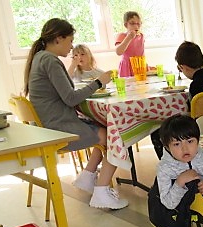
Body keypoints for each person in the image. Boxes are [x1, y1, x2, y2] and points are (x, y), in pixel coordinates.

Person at [24, 18, 127, 209]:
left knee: (104, 130)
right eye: (70, 41)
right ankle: (102, 191)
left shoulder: (40, 57)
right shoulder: (50, 61)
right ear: (58, 38)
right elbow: (71, 99)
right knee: (115, 136)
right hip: (57, 129)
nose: (71, 47)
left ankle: (87, 178)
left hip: (48, 125)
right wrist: (99, 82)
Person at [115, 11, 145, 77]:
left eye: (138, 24)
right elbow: (118, 52)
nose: (136, 26)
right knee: (129, 86)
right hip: (127, 67)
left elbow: (141, 53)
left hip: (139, 66)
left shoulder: (141, 36)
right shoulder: (122, 35)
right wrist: (129, 38)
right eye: (132, 23)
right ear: (126, 25)